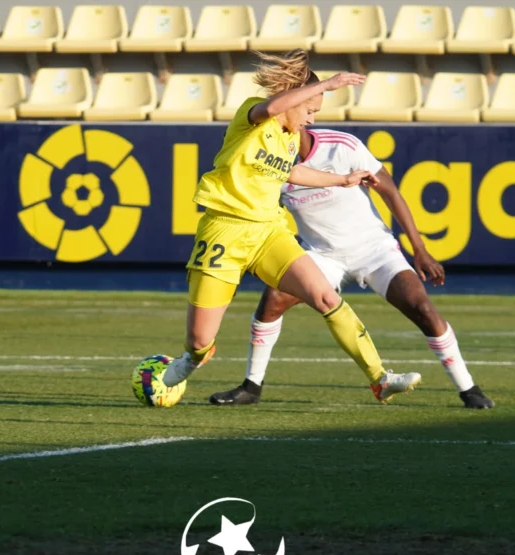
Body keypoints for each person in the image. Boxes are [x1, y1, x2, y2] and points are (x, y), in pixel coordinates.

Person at [160, 49, 419, 403]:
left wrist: (342, 180)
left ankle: (379, 378)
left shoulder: (289, 138)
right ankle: (190, 359)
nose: (312, 119)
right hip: (225, 230)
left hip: (268, 231)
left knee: (326, 296)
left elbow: (291, 171)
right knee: (200, 341)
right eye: (310, 109)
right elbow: (270, 109)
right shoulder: (252, 115)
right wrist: (328, 83)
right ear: (292, 100)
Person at [207, 125, 496, 410]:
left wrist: (419, 249)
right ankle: (251, 387)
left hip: (374, 251)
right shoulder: (269, 163)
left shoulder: (341, 145)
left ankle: (468, 388)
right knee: (273, 299)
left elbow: (390, 190)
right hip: (322, 255)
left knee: (422, 308)